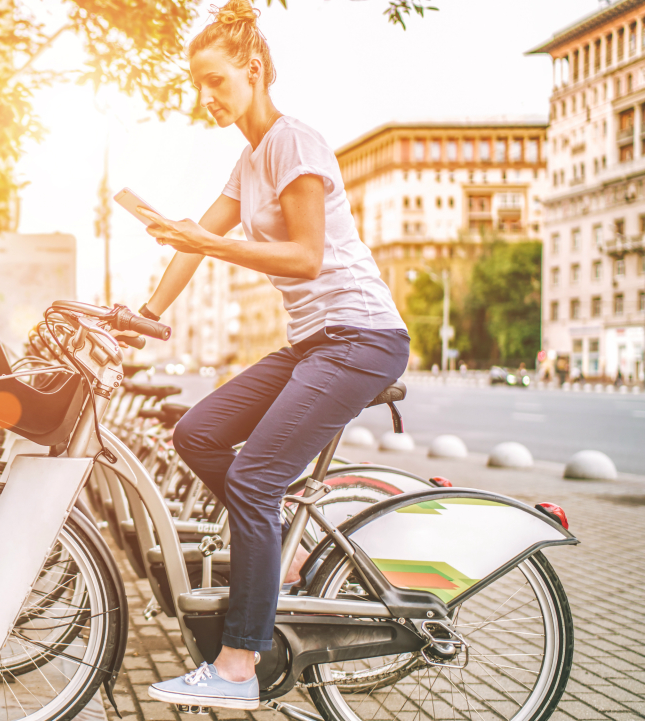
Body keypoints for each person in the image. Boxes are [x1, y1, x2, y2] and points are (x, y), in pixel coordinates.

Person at [130, 1, 410, 710]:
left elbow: (306, 255)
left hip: (362, 336)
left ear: (254, 71)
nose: (206, 97)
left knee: (255, 477)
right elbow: (197, 236)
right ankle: (272, 542)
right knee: (195, 433)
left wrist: (205, 242)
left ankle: (236, 664)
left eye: (216, 81)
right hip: (314, 342)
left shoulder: (296, 142)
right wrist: (143, 316)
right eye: (198, 84)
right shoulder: (248, 160)